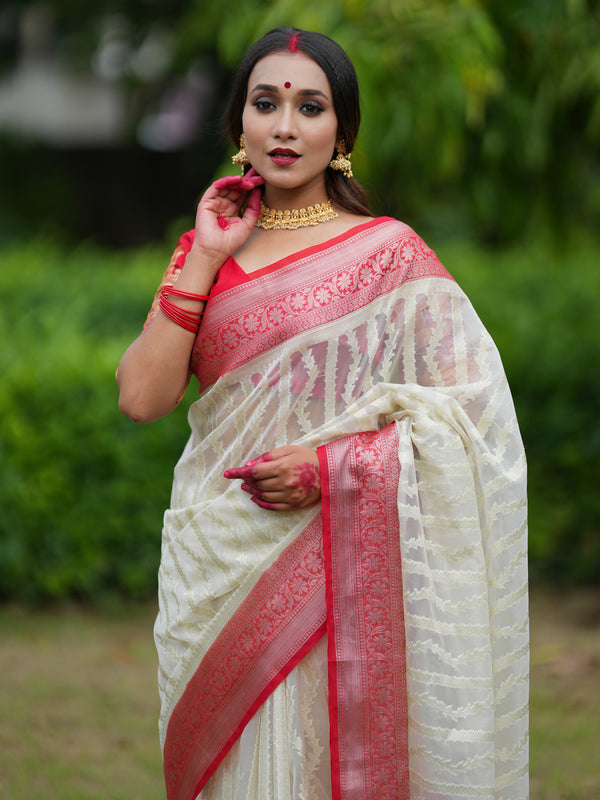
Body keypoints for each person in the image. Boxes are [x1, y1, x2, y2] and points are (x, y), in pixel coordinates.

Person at [117, 26, 529, 800]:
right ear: (237, 121)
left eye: (311, 107)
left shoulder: (390, 254)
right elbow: (142, 398)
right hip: (217, 561)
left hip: (334, 553)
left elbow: (473, 419)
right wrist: (204, 257)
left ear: (342, 133)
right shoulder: (205, 254)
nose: (284, 126)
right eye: (265, 103)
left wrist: (333, 467)